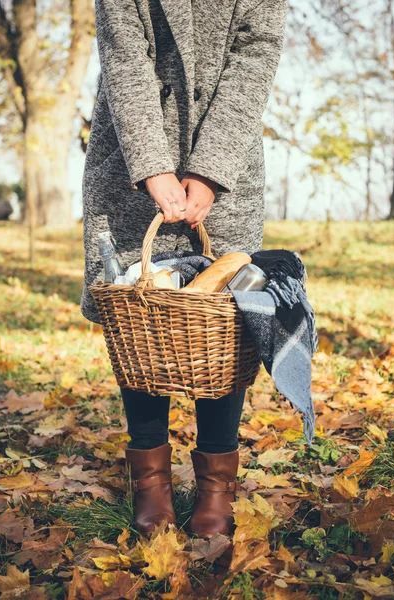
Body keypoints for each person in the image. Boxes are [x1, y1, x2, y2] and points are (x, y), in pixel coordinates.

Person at [81, 0, 288, 538]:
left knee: (226, 318)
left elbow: (255, 55)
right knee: (140, 313)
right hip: (131, 150)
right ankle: (151, 483)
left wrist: (211, 169)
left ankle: (216, 485)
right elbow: (125, 52)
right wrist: (152, 165)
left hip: (226, 155)